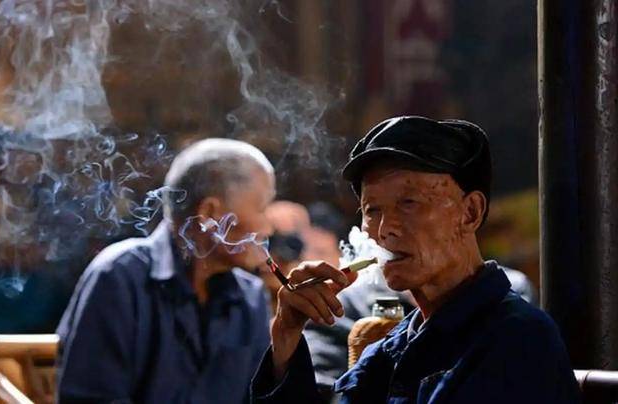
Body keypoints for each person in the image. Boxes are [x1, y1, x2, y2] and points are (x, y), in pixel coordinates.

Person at [251, 116, 581, 403]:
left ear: (470, 212)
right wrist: (287, 334)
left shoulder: (517, 338)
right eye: (372, 210)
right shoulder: (392, 348)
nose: (384, 229)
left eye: (409, 203)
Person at [57, 138, 275, 403]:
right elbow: (91, 399)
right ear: (209, 213)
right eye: (262, 208)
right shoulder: (119, 276)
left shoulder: (250, 299)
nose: (268, 228)